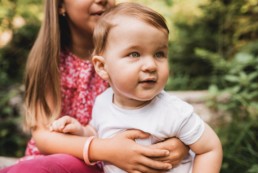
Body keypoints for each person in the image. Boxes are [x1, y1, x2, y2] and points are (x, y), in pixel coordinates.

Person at [0, 0, 189, 173]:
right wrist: (104, 149)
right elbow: (43, 137)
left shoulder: (131, 57)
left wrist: (179, 144)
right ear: (60, 5)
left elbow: (158, 113)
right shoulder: (50, 61)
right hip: (59, 161)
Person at [50, 2, 223, 173]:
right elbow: (97, 131)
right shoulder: (102, 103)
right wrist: (80, 130)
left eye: (159, 54)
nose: (150, 65)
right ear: (102, 67)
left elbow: (210, 148)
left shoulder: (173, 112)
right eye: (134, 54)